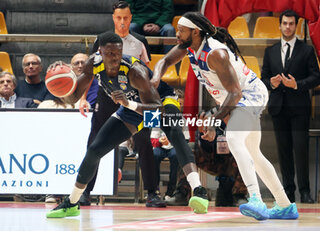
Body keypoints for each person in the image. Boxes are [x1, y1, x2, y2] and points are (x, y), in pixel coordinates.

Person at [152, 12, 299, 220]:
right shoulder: (189, 47)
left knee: (233, 137)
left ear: (195, 32)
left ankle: (255, 198)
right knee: (254, 154)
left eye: (181, 31)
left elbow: (236, 93)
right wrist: (156, 76)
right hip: (234, 99)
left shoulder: (215, 53)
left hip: (249, 94)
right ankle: (285, 205)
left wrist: (213, 120)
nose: (177, 34)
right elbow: (166, 60)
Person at [46, 31, 208, 218]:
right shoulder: (93, 64)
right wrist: (63, 81)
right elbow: (73, 96)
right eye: (109, 54)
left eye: (118, 53)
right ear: (100, 52)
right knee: (94, 150)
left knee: (175, 134)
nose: (115, 58)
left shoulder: (135, 71)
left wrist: (128, 104)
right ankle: (72, 202)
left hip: (160, 101)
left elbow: (157, 109)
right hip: (131, 107)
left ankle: (198, 191)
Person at [77, 1, 165, 207]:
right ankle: (85, 193)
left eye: (126, 18)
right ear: (113, 18)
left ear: (131, 18)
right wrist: (82, 98)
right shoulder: (103, 39)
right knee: (94, 143)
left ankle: (152, 194)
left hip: (135, 99)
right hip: (106, 96)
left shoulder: (140, 41)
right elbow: (89, 73)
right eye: (119, 18)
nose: (123, 22)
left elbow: (148, 75)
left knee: (144, 143)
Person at [261, 10, 320, 204]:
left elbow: (316, 78)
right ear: (279, 25)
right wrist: (272, 83)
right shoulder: (270, 51)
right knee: (284, 151)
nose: (288, 27)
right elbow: (263, 79)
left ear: (296, 26)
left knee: (301, 149)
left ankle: (305, 191)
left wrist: (296, 84)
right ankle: (288, 191)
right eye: (285, 23)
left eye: (291, 24)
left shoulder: (307, 50)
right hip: (278, 108)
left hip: (300, 108)